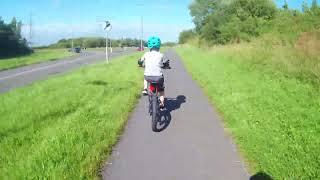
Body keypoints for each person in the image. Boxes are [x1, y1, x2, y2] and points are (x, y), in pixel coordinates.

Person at [140, 36, 165, 108]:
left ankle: (145, 89)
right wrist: (165, 65)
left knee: (145, 74)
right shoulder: (161, 55)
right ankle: (161, 102)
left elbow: (140, 61)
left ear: (149, 46)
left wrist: (141, 64)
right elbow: (163, 63)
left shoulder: (146, 54)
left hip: (148, 77)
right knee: (161, 89)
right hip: (158, 77)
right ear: (159, 46)